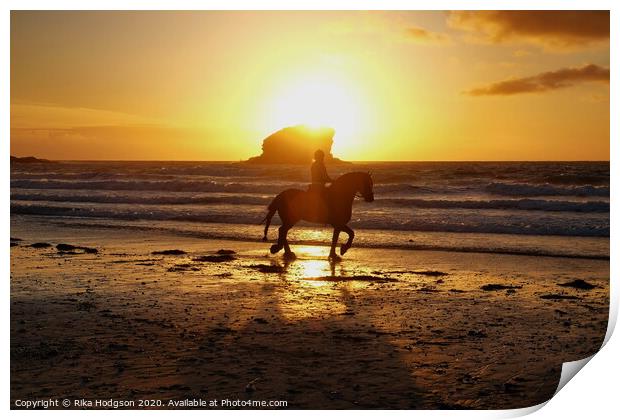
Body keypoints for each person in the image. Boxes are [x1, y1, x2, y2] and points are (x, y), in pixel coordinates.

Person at [309, 149, 332, 218]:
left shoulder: (314, 164)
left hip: (314, 185)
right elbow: (325, 177)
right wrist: (333, 181)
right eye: (322, 156)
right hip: (319, 186)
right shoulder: (320, 165)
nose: (323, 158)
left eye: (323, 156)